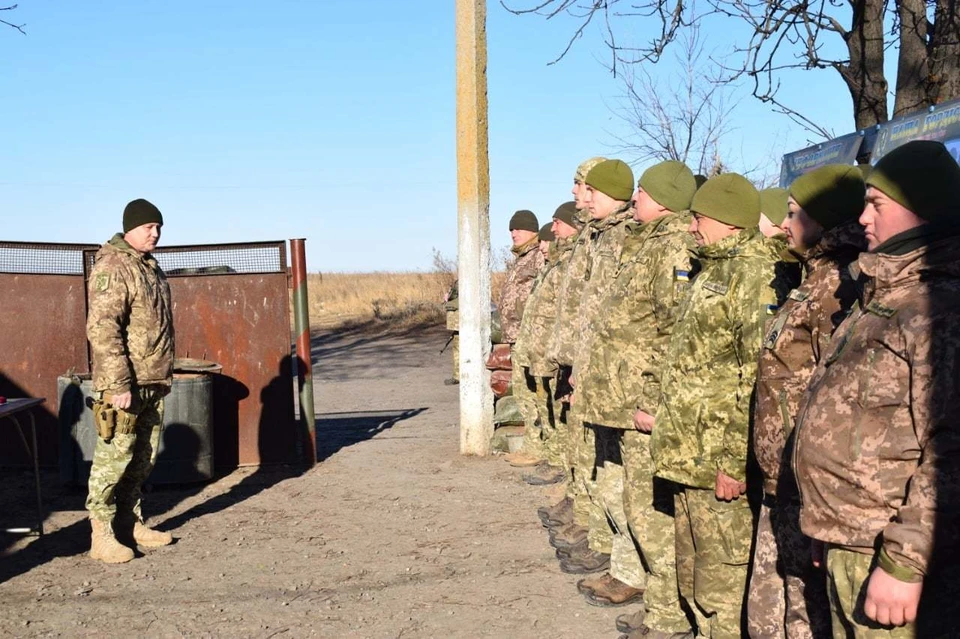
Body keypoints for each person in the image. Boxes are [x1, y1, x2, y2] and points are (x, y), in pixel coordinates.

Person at [794, 140, 960, 637]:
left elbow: (951, 448)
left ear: (921, 209)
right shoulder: (883, 295)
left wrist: (906, 562)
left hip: (894, 557)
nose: (863, 217)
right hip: (853, 540)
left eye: (877, 204)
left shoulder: (939, 308)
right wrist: (829, 525)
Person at [652, 174, 792, 638]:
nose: (691, 227)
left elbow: (758, 379)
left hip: (718, 462)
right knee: (694, 579)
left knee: (723, 589)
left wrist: (733, 461)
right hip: (689, 454)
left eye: (699, 217)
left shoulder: (753, 276)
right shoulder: (714, 268)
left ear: (730, 222)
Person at [576, 160, 699, 637]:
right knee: (635, 506)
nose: (634, 199)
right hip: (622, 400)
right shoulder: (646, 243)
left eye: (642, 193)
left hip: (643, 405)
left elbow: (674, 332)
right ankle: (655, 601)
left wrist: (652, 398)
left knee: (651, 514)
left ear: (664, 198)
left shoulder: (672, 249)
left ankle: (668, 616)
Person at [748, 165, 866, 639]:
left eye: (793, 214)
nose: (783, 223)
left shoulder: (842, 286)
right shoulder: (812, 278)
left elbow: (836, 393)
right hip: (784, 475)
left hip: (810, 480)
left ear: (821, 220)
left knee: (808, 606)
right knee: (781, 598)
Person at [558, 159, 637, 579]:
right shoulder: (598, 235)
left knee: (615, 470)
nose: (580, 197)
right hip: (592, 366)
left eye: (586, 189)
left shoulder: (625, 237)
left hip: (616, 375)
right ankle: (599, 536)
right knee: (597, 461)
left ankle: (616, 556)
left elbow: (624, 316)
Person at [86, 198, 175, 564]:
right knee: (114, 457)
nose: (154, 233)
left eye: (158, 227)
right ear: (129, 228)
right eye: (148, 227)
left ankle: (129, 522)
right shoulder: (114, 265)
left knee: (142, 457)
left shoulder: (149, 267)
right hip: (123, 385)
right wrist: (120, 384)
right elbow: (103, 328)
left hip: (151, 380)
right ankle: (101, 535)